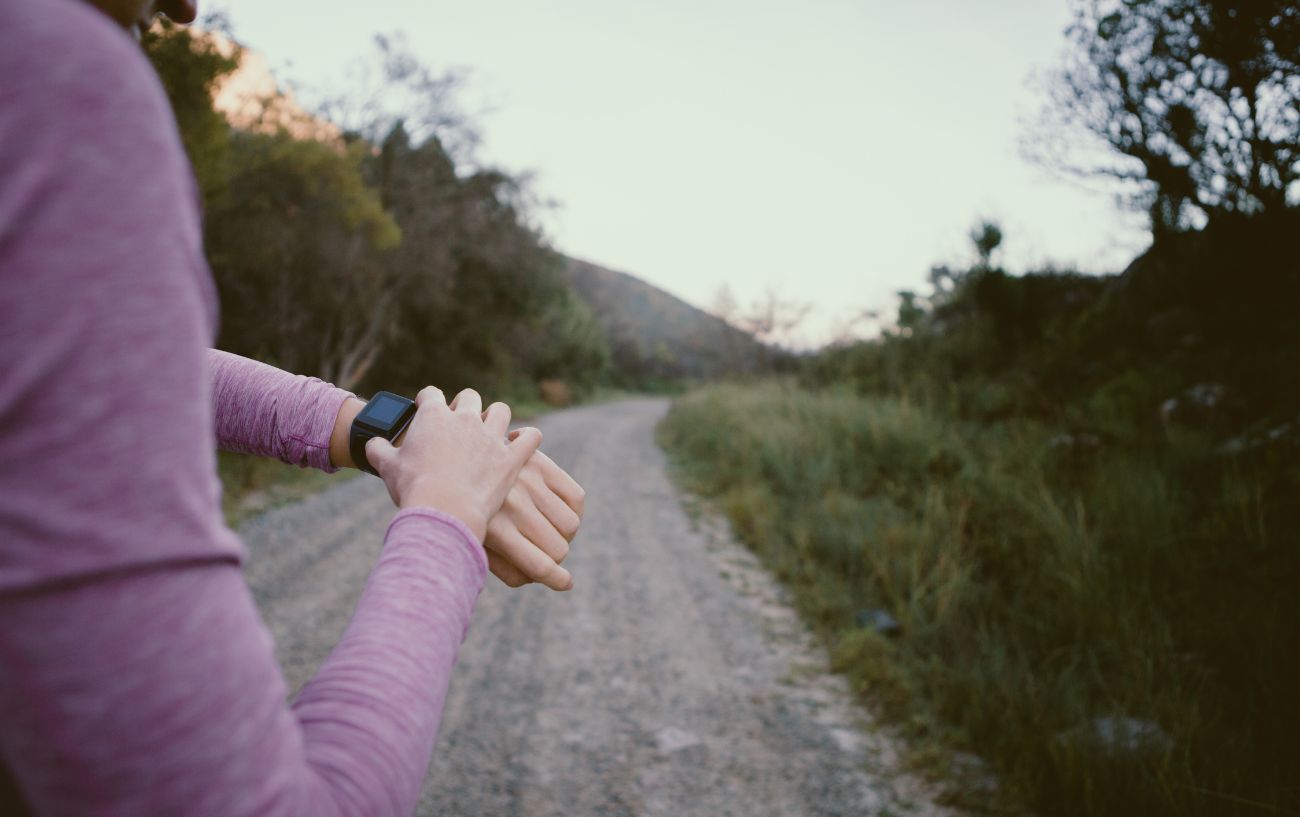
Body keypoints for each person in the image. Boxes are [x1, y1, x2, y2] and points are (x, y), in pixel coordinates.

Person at [0, 0, 586, 814]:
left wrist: (387, 428)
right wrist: (446, 515)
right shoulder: (51, 76)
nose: (187, 7)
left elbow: (97, 353)